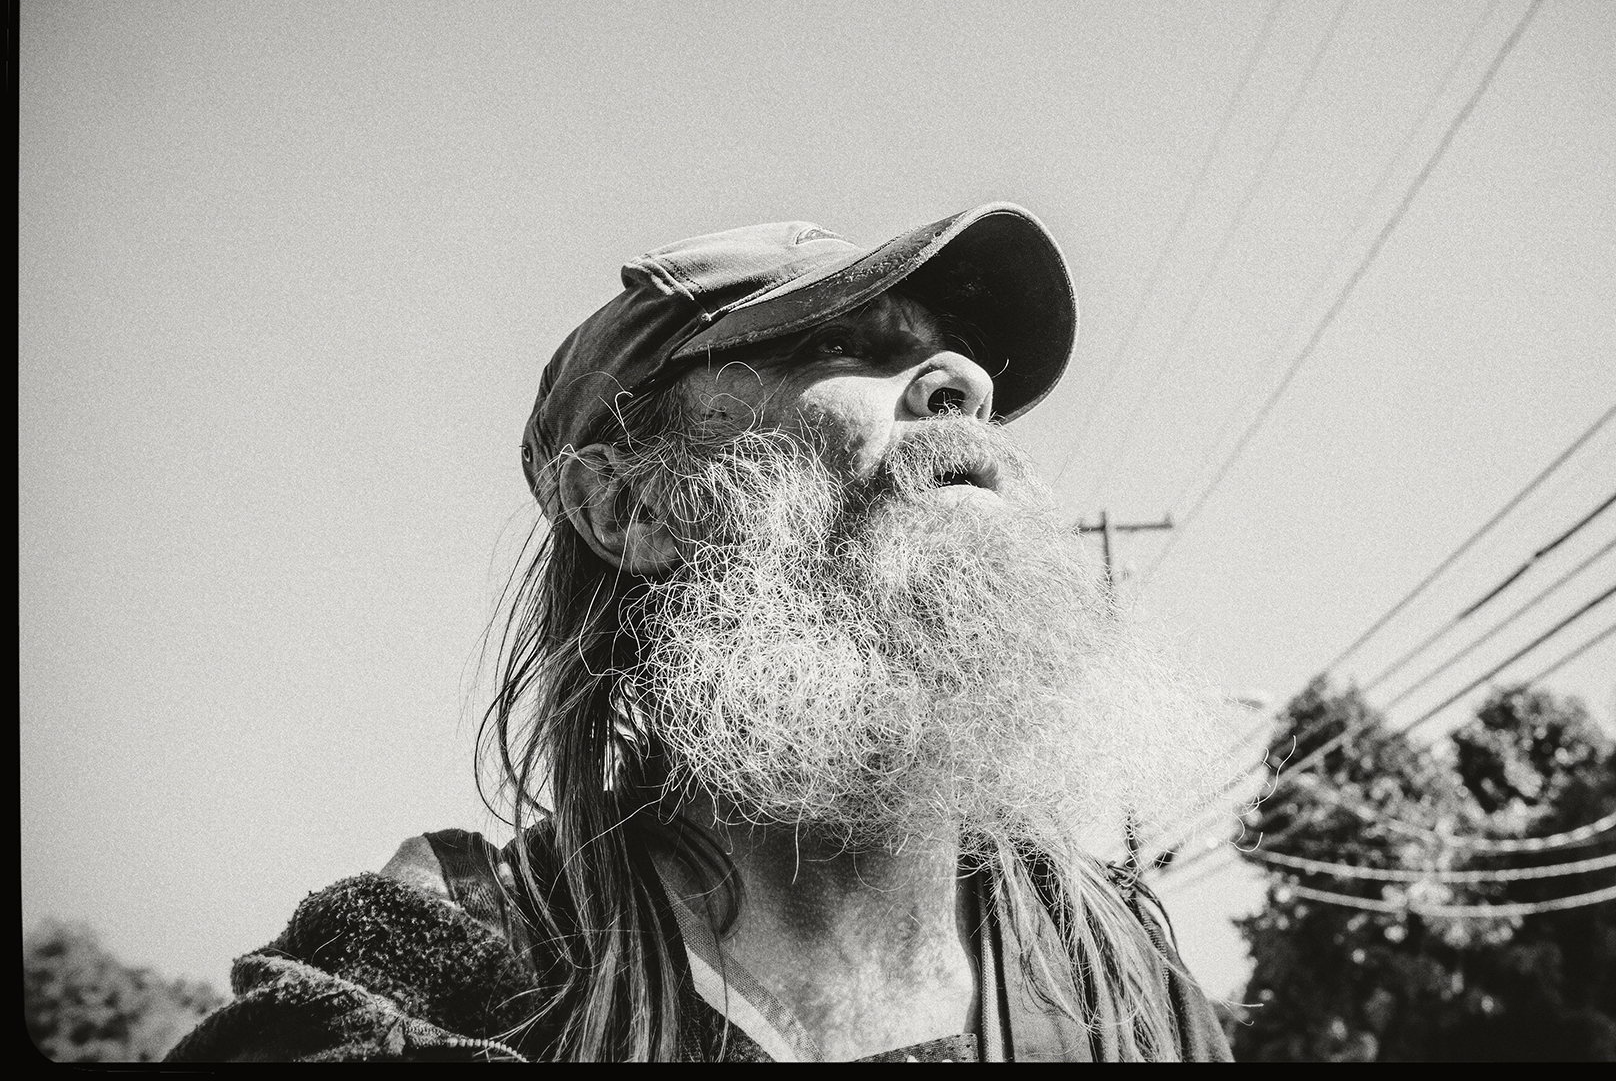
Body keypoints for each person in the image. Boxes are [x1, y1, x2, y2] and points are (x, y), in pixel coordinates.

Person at [168, 202, 1238, 1062]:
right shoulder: (453, 952)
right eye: (839, 342)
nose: (967, 382)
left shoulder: (1117, 966)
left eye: (960, 358)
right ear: (632, 507)